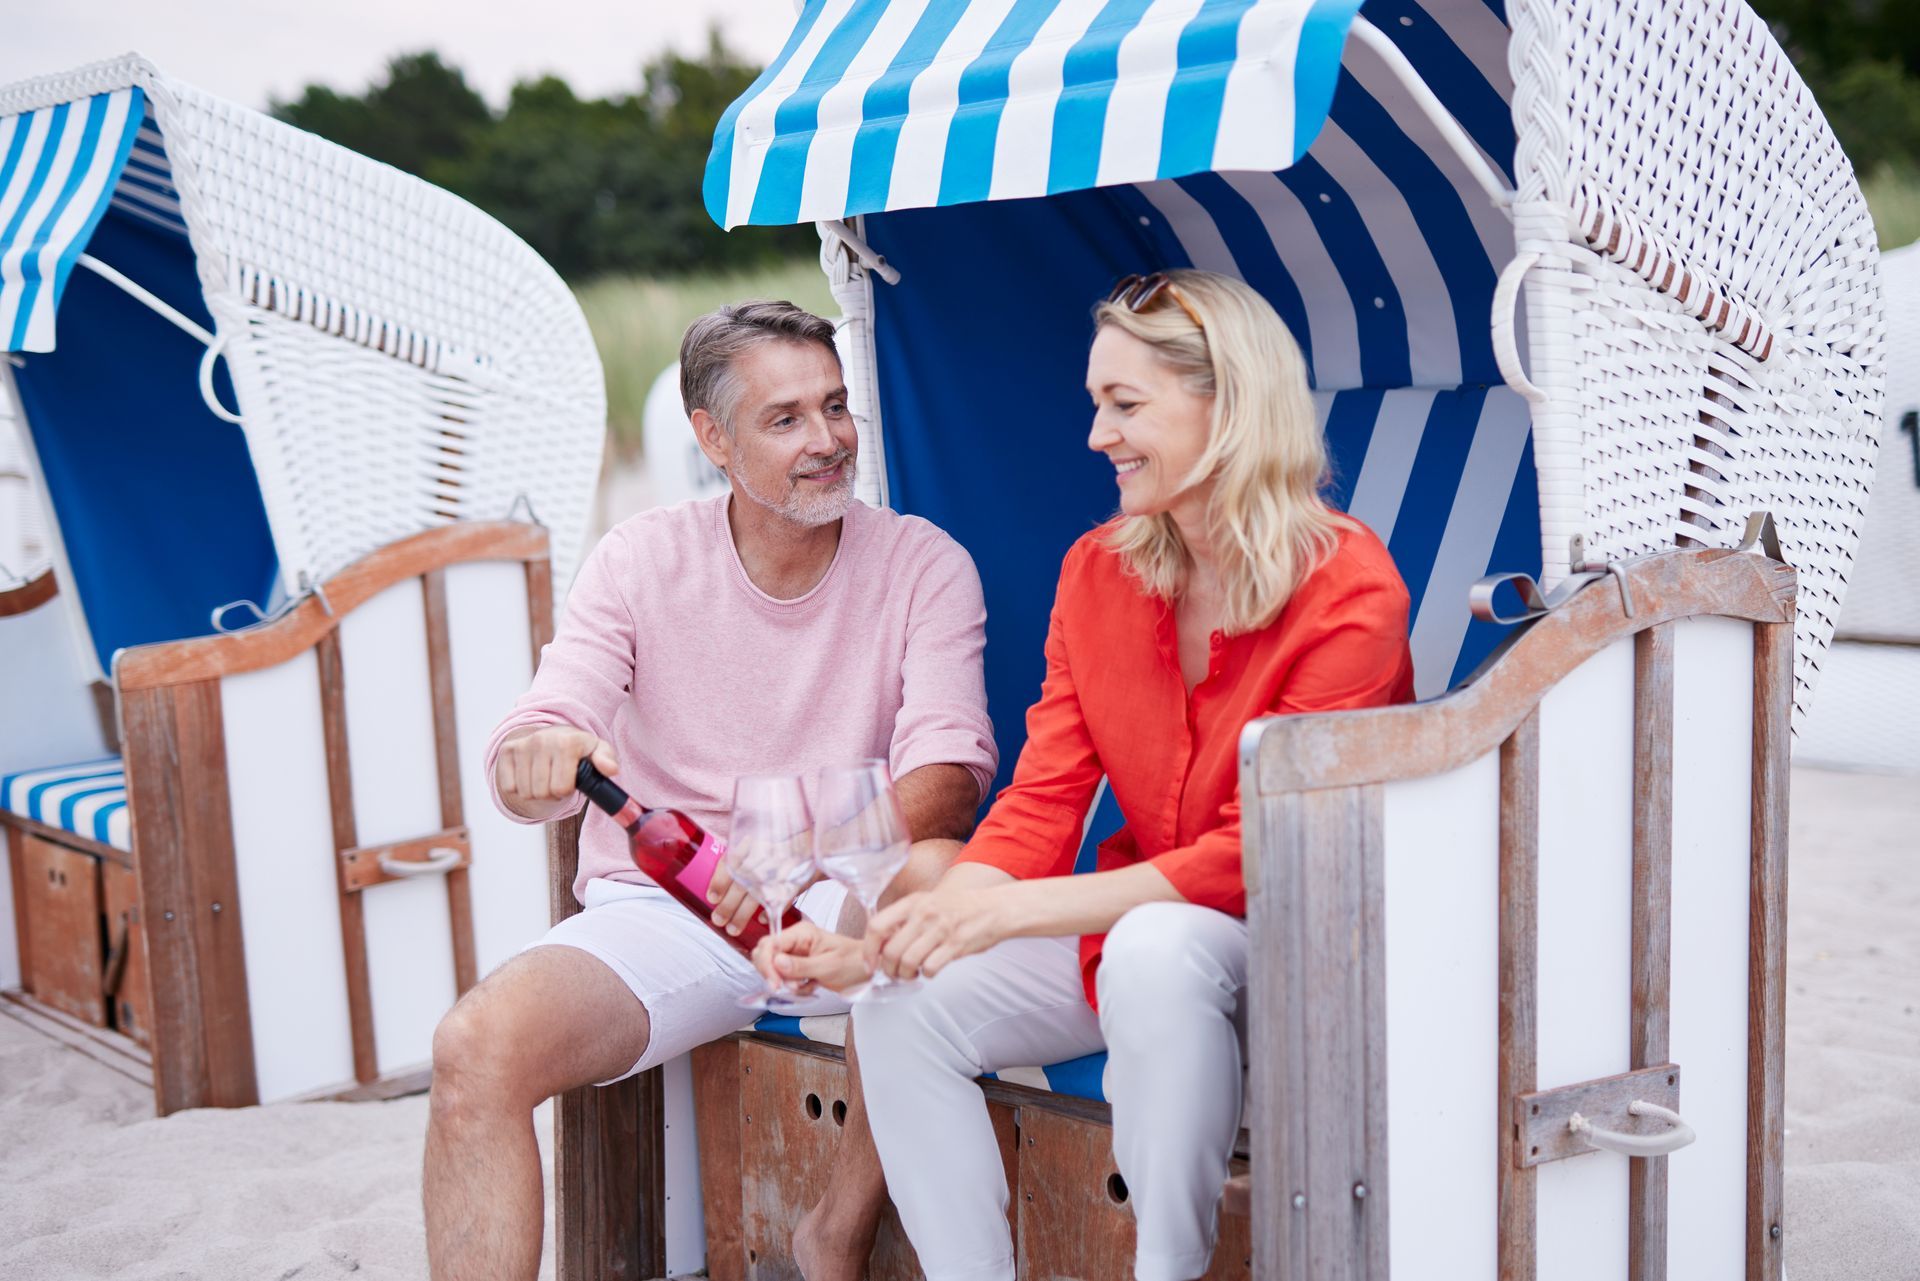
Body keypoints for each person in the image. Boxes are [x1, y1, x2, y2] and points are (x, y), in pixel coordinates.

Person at [755, 270, 1415, 1281]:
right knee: (901, 1004)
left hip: (1309, 940)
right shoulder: (1098, 570)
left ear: (1227, 406)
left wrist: (1005, 915)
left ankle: (1168, 1269)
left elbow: (1260, 856)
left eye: (1126, 404)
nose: (1098, 435)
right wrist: (915, 933)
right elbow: (1044, 795)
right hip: (1142, 927)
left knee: (1152, 948)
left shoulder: (1349, 588)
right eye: (1096, 404)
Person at [422, 301, 998, 1281]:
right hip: (668, 911)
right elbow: (547, 722)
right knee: (474, 1048)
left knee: (932, 875)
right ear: (711, 438)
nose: (826, 441)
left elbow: (948, 782)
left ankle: (837, 1231)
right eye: (786, 420)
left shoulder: (924, 565)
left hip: (836, 897)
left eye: (837, 407)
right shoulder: (640, 559)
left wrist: (786, 855)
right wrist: (531, 755)